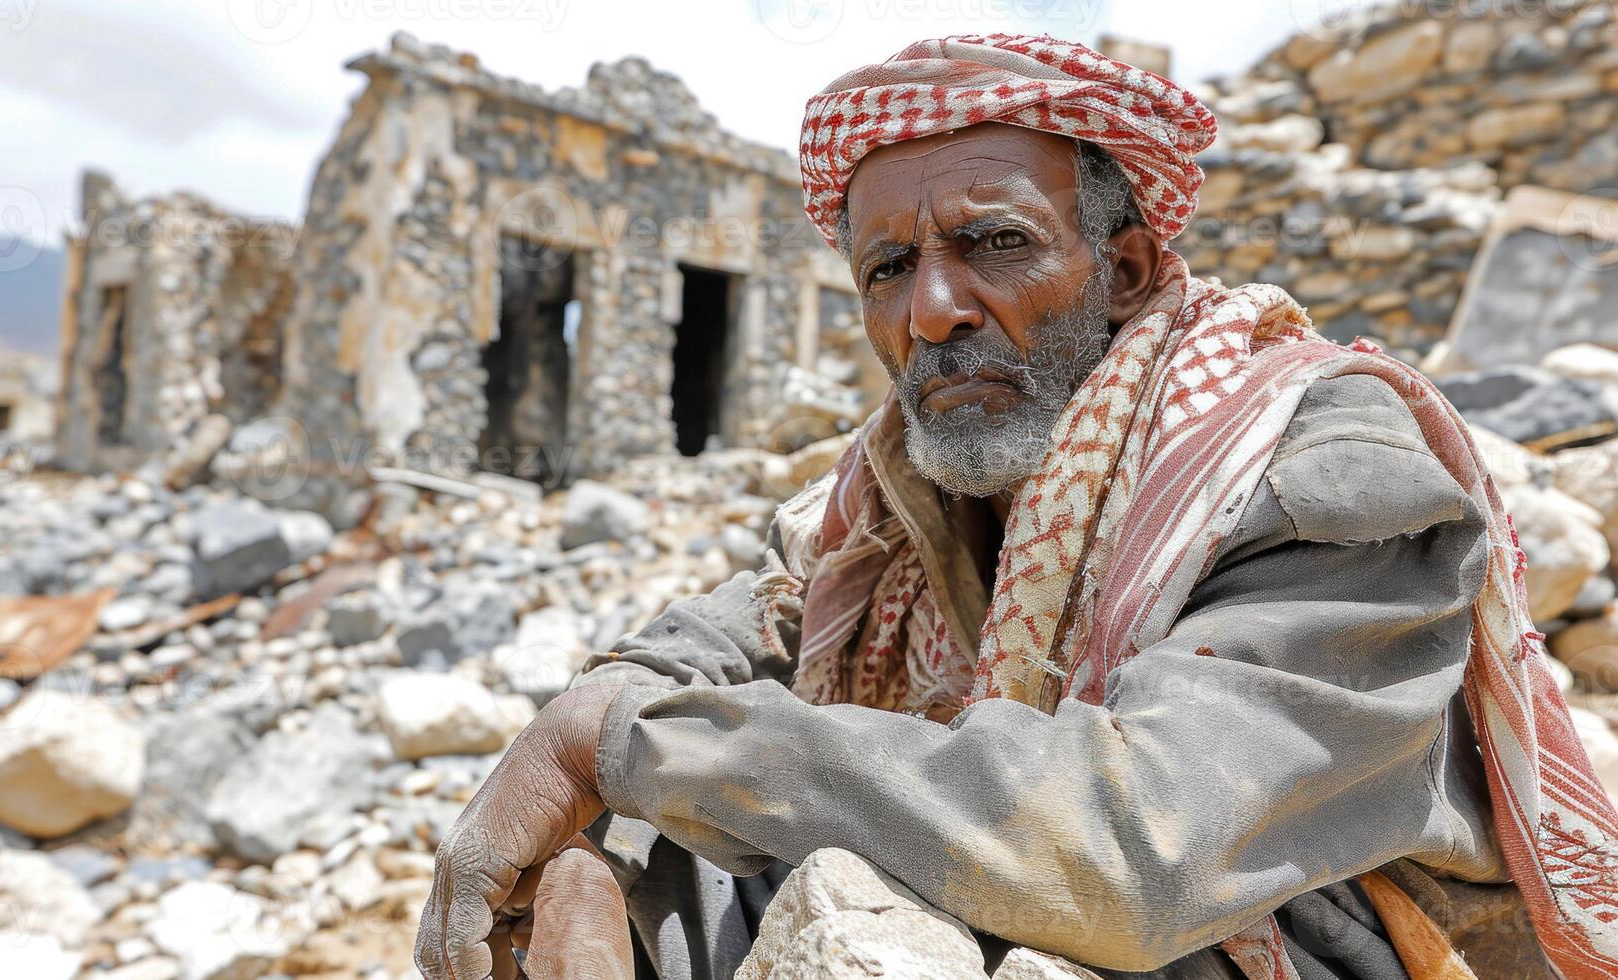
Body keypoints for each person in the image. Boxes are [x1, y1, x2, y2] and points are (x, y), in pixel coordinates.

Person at [417, 34, 1618, 979]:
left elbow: (1133, 851)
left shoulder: (1309, 460)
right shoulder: (908, 487)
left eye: (993, 242)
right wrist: (603, 737)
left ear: (1128, 271)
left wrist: (619, 736)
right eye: (888, 267)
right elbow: (758, 618)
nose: (932, 307)